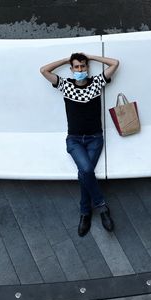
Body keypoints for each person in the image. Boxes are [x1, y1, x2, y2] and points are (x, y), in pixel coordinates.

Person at [40, 52, 120, 236]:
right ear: (71, 69)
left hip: (95, 138)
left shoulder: (97, 83)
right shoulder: (66, 86)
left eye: (83, 66)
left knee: (85, 172)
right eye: (76, 67)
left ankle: (85, 213)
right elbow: (43, 70)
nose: (80, 69)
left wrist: (92, 57)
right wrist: (65, 59)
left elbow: (115, 63)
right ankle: (101, 207)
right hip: (75, 139)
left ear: (87, 67)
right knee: (87, 170)